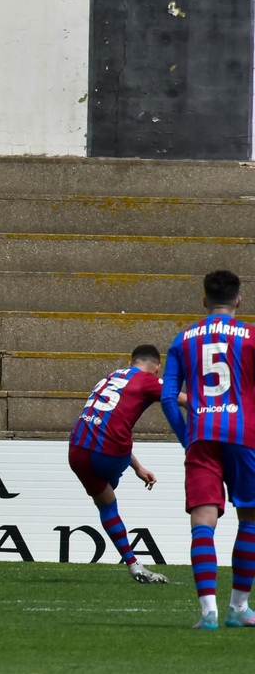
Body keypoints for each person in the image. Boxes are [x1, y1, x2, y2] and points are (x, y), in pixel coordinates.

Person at [160, 270, 255, 630]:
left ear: (204, 300)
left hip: (202, 436)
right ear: (239, 300)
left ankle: (208, 612)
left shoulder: (183, 340)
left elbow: (168, 397)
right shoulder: (250, 337)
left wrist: (188, 438)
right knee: (250, 518)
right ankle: (239, 608)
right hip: (244, 436)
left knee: (203, 523)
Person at [67, 344, 168, 585]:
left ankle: (134, 565)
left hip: (77, 451)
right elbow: (180, 398)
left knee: (107, 506)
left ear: (131, 360)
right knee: (110, 491)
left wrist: (138, 467)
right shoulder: (147, 379)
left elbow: (108, 422)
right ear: (157, 366)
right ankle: (134, 565)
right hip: (110, 455)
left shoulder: (111, 376)